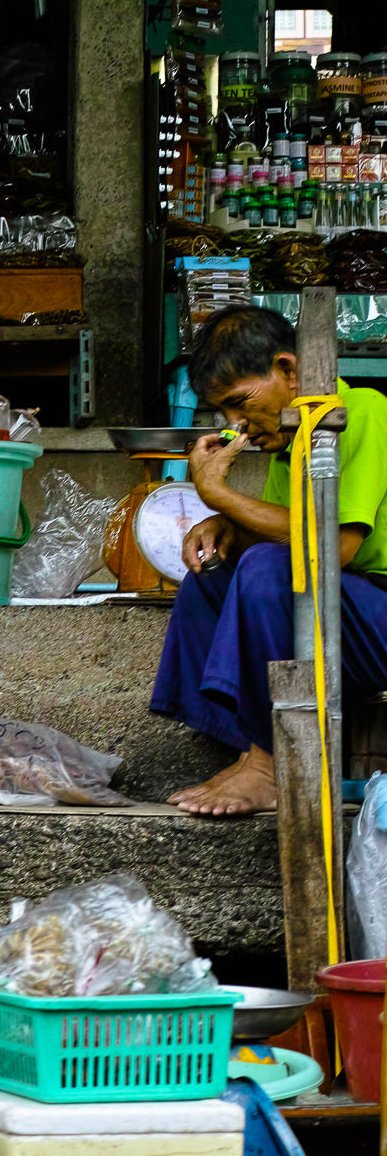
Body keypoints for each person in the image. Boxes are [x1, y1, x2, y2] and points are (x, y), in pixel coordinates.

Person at [153, 304, 387, 816]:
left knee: (264, 568)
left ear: (288, 370)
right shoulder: (288, 444)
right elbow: (288, 524)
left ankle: (267, 765)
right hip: (341, 611)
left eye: (240, 402)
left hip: (378, 614)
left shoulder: (362, 411)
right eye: (224, 414)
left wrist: (221, 497)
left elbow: (333, 548)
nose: (238, 425)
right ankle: (246, 747)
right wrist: (228, 526)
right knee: (209, 575)